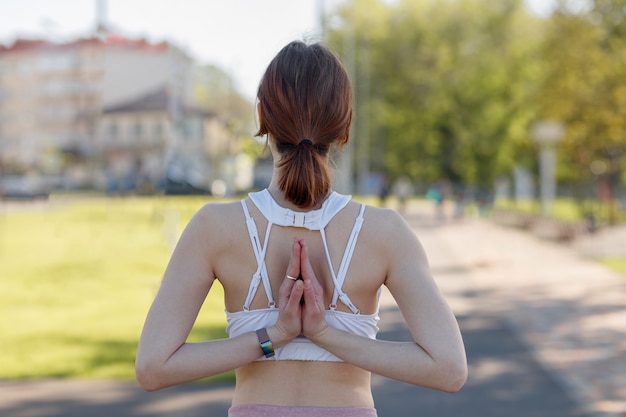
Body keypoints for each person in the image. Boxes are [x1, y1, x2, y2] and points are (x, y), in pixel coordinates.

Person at [136, 40, 467, 417]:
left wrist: (273, 338)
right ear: (344, 125)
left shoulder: (214, 227)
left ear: (261, 116)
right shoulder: (385, 232)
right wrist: (326, 335)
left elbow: (153, 366)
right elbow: (449, 368)